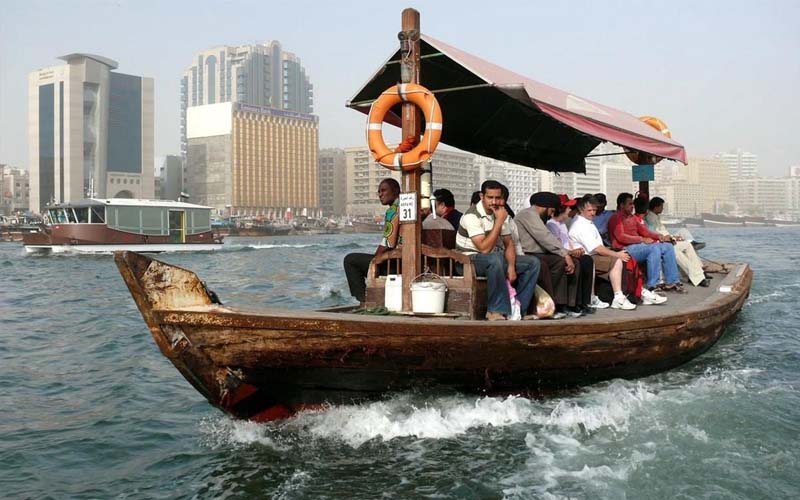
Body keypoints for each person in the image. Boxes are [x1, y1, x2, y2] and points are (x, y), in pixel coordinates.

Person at [456, 180, 540, 321]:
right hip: (468, 261)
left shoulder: (501, 213)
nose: (494, 202)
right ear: (482, 196)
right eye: (490, 197)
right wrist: (499, 222)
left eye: (497, 198)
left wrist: (512, 267)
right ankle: (495, 310)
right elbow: (484, 248)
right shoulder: (471, 216)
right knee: (495, 258)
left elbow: (509, 244)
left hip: (494, 260)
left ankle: (519, 311)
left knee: (533, 263)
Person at [515, 192, 591, 318]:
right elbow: (544, 236)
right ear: (545, 207)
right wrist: (565, 254)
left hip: (541, 253)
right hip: (527, 254)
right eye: (551, 211)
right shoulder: (528, 214)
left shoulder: (538, 217)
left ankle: (566, 304)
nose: (551, 215)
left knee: (575, 262)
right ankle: (550, 304)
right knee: (557, 262)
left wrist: (566, 254)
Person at [608, 192, 680, 302]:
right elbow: (621, 237)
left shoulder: (633, 218)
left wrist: (660, 236)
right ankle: (653, 285)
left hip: (637, 246)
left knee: (667, 246)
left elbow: (645, 232)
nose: (632, 206)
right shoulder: (616, 218)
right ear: (621, 205)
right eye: (630, 204)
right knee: (653, 248)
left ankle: (672, 282)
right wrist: (641, 239)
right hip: (624, 249)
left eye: (633, 204)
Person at [569, 197, 637, 310]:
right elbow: (597, 249)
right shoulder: (580, 226)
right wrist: (617, 255)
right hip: (588, 257)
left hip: (593, 255)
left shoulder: (586, 222)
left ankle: (630, 292)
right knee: (617, 261)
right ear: (581, 210)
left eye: (594, 210)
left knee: (625, 257)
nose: (593, 213)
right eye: (589, 210)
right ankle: (619, 297)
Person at [343, 178, 400, 303]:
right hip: (401, 262)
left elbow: (387, 242)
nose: (380, 194)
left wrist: (375, 260)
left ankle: (364, 300)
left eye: (384, 190)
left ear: (395, 191)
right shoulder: (405, 207)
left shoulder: (393, 210)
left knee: (350, 260)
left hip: (394, 264)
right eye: (379, 191)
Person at [646, 197, 709, 287]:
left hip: (667, 241)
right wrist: (671, 238)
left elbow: (664, 232)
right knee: (676, 252)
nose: (663, 209)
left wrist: (673, 237)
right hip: (661, 243)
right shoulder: (650, 218)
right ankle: (698, 278)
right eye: (661, 207)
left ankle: (700, 272)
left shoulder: (656, 217)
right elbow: (656, 234)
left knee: (687, 245)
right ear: (656, 207)